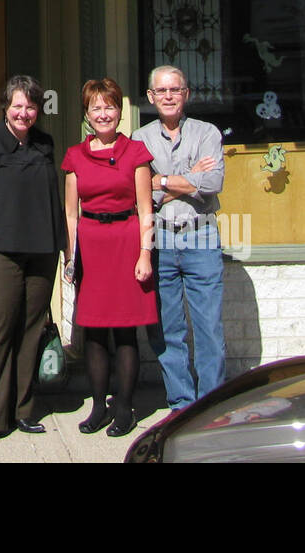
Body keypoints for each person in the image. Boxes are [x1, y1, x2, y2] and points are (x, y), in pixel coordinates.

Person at [0, 75, 67, 448]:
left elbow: (53, 198)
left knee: (30, 330)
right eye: (18, 105)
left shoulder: (45, 143)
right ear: (6, 106)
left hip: (41, 251)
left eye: (31, 106)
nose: (24, 112)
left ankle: (23, 410)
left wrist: (64, 245)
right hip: (0, 253)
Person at [63, 78, 157, 437]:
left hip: (126, 241)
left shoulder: (136, 152)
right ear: (86, 114)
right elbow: (71, 213)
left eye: (110, 107)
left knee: (125, 332)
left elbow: (146, 209)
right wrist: (71, 257)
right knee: (95, 333)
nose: (103, 114)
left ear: (120, 111)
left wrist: (145, 253)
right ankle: (98, 405)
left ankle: (124, 408)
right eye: (96, 108)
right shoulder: (75, 155)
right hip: (92, 245)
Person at [134, 65, 226, 412]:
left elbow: (213, 183)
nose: (169, 96)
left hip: (201, 236)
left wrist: (161, 181)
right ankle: (182, 404)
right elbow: (140, 194)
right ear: (150, 97)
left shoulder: (207, 133)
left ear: (186, 94)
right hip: (159, 241)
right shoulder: (140, 140)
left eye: (176, 90)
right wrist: (189, 179)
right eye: (162, 91)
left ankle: (211, 404)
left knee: (208, 329)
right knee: (167, 329)